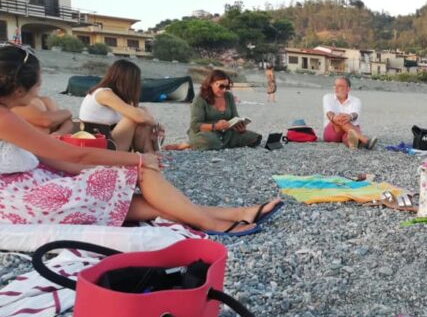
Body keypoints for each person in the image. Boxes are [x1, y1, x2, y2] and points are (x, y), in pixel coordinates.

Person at [0, 45, 280, 236]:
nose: (39, 89)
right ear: (18, 86)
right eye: (37, 83)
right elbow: (73, 155)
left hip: (34, 186)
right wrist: (136, 159)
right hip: (22, 202)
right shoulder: (4, 117)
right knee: (140, 173)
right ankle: (217, 223)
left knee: (137, 201)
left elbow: (55, 158)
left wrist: (110, 168)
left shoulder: (10, 113)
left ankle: (234, 213)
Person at [78, 59, 162, 153]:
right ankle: (150, 153)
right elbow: (139, 117)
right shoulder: (103, 93)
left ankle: (149, 152)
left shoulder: (116, 96)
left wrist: (152, 125)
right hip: (99, 145)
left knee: (142, 110)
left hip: (109, 139)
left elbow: (141, 117)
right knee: (135, 116)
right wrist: (157, 125)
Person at [188, 69, 262, 150]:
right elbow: (195, 125)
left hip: (227, 132)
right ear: (210, 83)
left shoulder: (228, 96)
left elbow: (235, 117)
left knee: (254, 138)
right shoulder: (200, 99)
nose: (224, 90)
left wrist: (240, 127)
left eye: (227, 87)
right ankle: (190, 144)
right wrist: (215, 126)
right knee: (210, 141)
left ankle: (221, 144)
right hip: (206, 132)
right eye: (221, 86)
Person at [322, 76, 377, 149]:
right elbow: (329, 112)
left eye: (340, 86)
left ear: (348, 89)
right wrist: (335, 118)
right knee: (340, 119)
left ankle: (353, 143)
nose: (336, 88)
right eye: (335, 85)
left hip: (351, 129)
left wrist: (350, 117)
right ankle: (365, 141)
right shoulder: (327, 97)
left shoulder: (356, 100)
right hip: (333, 130)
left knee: (350, 135)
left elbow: (355, 114)